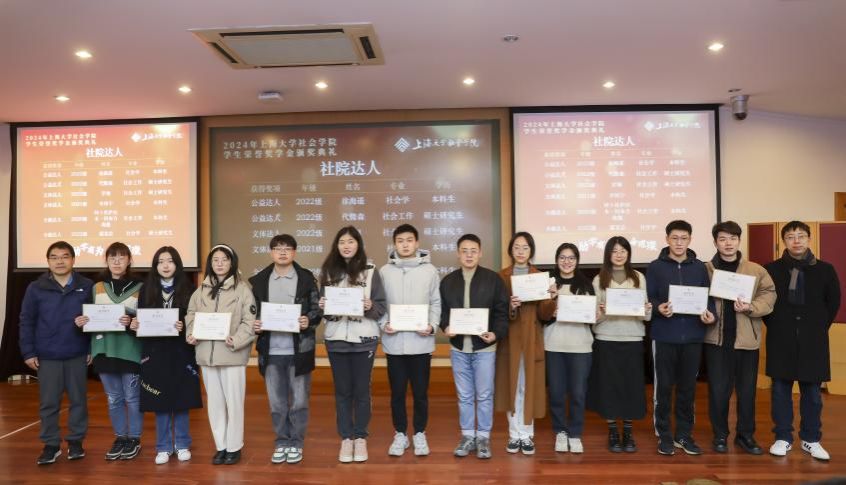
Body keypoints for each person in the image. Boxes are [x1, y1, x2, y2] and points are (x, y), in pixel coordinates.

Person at [764, 221, 841, 461]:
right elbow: (765, 303)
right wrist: (778, 325)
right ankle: (783, 437)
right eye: (790, 237)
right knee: (780, 390)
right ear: (783, 242)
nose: (796, 241)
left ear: (809, 239)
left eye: (801, 236)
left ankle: (811, 439)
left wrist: (816, 327)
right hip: (781, 337)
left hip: (813, 339)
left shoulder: (825, 269)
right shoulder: (771, 269)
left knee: (813, 393)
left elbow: (833, 302)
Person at [704, 221, 775, 455]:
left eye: (733, 238)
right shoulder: (705, 269)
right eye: (723, 239)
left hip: (746, 341)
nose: (728, 243)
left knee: (747, 392)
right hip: (716, 340)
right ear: (715, 242)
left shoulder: (755, 269)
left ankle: (745, 435)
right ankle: (720, 435)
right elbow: (697, 297)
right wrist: (704, 311)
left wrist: (751, 307)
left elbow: (769, 294)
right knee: (718, 391)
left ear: (739, 241)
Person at [19, 241, 93, 465]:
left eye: (65, 256)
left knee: (79, 401)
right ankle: (51, 445)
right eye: (54, 257)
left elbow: (96, 319)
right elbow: (26, 321)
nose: (60, 261)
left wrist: (92, 348)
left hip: (77, 353)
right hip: (47, 355)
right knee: (49, 403)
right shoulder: (35, 288)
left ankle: (76, 441)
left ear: (73, 260)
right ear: (48, 261)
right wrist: (28, 352)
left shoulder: (87, 285)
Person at [250, 234, 322, 465]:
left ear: (294, 252)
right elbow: (251, 313)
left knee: (299, 401)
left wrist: (308, 320)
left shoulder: (306, 278)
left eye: (288, 248)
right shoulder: (259, 281)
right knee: (277, 403)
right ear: (271, 252)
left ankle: (296, 442)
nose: (282, 252)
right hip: (271, 351)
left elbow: (317, 310)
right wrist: (255, 324)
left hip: (299, 350)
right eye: (278, 248)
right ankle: (282, 441)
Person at [646, 220, 716, 456]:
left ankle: (684, 435)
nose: (679, 243)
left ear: (690, 240)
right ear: (667, 239)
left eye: (683, 238)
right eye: (674, 238)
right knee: (663, 388)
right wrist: (658, 308)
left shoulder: (699, 268)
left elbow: (708, 299)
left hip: (693, 338)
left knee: (688, 389)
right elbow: (649, 298)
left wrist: (711, 315)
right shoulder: (655, 267)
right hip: (664, 337)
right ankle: (664, 435)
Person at [319, 226, 387, 463]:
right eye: (342, 242)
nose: (346, 246)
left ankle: (360, 437)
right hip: (336, 339)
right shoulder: (328, 271)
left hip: (364, 339)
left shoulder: (370, 271)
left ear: (358, 244)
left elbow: (381, 307)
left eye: (350, 241)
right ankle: (346, 437)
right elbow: (325, 311)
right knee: (342, 391)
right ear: (336, 246)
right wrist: (323, 306)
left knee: (361, 391)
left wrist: (370, 306)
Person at [130, 246, 202, 464]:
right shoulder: (146, 289)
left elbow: (196, 320)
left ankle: (182, 444)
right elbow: (140, 321)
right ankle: (163, 446)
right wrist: (135, 325)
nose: (165, 265)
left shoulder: (189, 289)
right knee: (159, 399)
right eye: (161, 262)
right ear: (155, 266)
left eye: (170, 261)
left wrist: (185, 326)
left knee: (181, 398)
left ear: (177, 264)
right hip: (155, 352)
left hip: (181, 351)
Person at [439, 234, 509, 460]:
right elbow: (442, 312)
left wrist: (495, 334)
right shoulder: (448, 281)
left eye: (473, 251)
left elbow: (501, 312)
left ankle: (483, 437)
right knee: (465, 395)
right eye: (464, 251)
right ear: (458, 254)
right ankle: (468, 435)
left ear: (480, 253)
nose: (469, 255)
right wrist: (445, 326)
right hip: (459, 348)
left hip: (484, 349)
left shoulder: (493, 279)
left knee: (485, 394)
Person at [186, 244, 256, 465]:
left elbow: (250, 321)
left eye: (224, 259)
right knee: (215, 404)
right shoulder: (201, 290)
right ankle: (221, 445)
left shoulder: (242, 289)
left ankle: (234, 447)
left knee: (234, 404)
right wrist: (191, 333)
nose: (219, 263)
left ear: (232, 263)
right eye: (215, 259)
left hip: (232, 355)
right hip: (207, 356)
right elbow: (191, 315)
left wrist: (237, 339)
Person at [77, 242, 145, 461]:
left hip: (131, 351)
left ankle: (134, 438)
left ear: (129, 260)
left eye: (121, 257)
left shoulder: (141, 287)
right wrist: (82, 322)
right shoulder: (97, 287)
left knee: (132, 398)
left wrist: (132, 321)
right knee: (114, 398)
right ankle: (120, 438)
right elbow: (89, 318)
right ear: (106, 260)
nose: (117, 261)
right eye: (112, 257)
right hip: (104, 351)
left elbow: (147, 321)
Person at [379, 224, 441, 457]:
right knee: (397, 393)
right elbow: (379, 303)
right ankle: (400, 434)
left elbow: (436, 302)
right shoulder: (385, 271)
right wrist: (384, 323)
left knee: (420, 393)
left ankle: (420, 433)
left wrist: (432, 325)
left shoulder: (430, 271)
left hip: (421, 343)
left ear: (417, 243)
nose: (405, 245)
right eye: (400, 241)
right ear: (394, 244)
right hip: (394, 344)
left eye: (409, 240)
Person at [588, 236, 652, 453]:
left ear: (628, 253)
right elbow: (592, 317)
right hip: (606, 339)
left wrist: (647, 309)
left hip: (632, 339)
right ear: (608, 254)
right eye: (614, 251)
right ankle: (613, 431)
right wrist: (603, 311)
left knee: (631, 387)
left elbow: (646, 316)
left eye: (623, 250)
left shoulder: (639, 278)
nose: (619, 254)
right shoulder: (598, 279)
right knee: (609, 387)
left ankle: (628, 431)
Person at [538, 243, 596, 454]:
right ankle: (560, 432)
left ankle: (575, 433)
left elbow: (591, 318)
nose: (567, 262)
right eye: (562, 257)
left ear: (577, 261)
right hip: (554, 345)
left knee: (578, 393)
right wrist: (551, 306)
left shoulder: (586, 285)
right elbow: (540, 316)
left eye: (571, 258)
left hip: (580, 346)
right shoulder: (548, 285)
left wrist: (595, 315)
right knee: (556, 392)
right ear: (556, 260)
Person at [495, 232, 547, 455]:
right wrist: (510, 306)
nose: (520, 251)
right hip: (510, 340)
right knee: (512, 386)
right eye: (517, 247)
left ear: (531, 251)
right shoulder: (501, 276)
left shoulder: (539, 276)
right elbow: (496, 311)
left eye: (525, 247)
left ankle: (527, 435)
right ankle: (514, 434)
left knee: (529, 387)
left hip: (532, 338)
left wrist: (551, 297)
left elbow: (544, 315)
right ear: (511, 250)